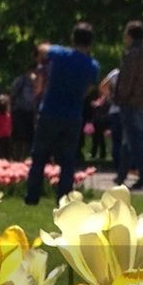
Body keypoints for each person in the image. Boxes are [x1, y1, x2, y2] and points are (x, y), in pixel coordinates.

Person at [24, 23, 99, 205]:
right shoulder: (93, 66)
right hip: (73, 115)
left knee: (40, 155)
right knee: (68, 160)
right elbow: (88, 91)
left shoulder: (60, 54)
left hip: (50, 110)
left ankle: (32, 196)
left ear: (73, 38)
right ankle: (63, 199)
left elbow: (42, 49)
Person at [114, 20, 143, 189]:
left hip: (132, 101)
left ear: (130, 35)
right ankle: (121, 174)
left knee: (134, 140)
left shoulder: (133, 54)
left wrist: (120, 97)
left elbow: (127, 80)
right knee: (130, 139)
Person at [8, 59, 39, 160]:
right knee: (18, 136)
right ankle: (16, 157)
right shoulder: (21, 80)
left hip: (30, 112)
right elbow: (12, 95)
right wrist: (10, 110)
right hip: (19, 111)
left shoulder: (37, 82)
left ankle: (24, 157)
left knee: (29, 137)